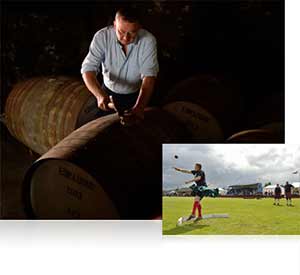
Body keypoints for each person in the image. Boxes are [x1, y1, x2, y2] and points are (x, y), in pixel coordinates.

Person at [81, 7, 159, 124]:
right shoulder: (102, 37)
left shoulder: (148, 40)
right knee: (101, 129)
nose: (125, 38)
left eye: (132, 33)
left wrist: (139, 107)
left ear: (139, 27)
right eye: (121, 32)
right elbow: (88, 69)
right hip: (107, 92)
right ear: (114, 24)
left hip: (137, 94)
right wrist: (99, 95)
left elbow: (149, 76)